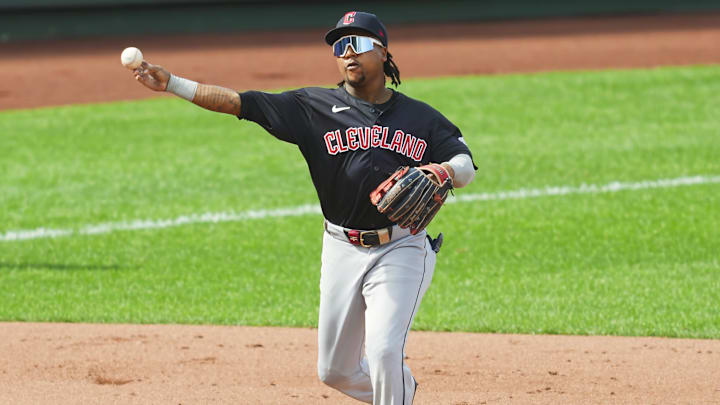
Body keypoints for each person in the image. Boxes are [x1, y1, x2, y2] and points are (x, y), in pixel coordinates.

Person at [131, 11, 476, 405]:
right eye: (340, 45)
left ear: (383, 52)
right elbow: (237, 103)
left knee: (383, 352)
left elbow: (465, 164)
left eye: (359, 44)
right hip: (341, 247)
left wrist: (443, 169)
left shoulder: (422, 118)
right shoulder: (312, 106)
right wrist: (172, 83)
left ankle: (393, 393)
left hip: (401, 247)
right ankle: (403, 389)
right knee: (335, 371)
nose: (348, 53)